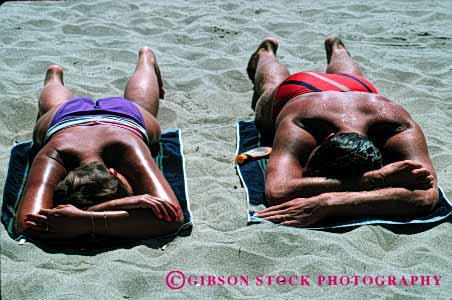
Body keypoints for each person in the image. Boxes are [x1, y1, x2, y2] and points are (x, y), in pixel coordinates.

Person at [246, 36, 438, 227]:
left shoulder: (397, 127)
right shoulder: (303, 125)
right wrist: (377, 180)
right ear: (327, 137)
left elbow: (427, 196)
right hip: (299, 91)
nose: (304, 170)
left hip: (359, 92)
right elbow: (278, 191)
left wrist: (330, 202)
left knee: (350, 78)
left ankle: (335, 49)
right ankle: (268, 53)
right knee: (270, 86)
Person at [15, 47, 184, 240]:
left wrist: (85, 220)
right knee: (55, 107)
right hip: (77, 118)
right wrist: (103, 212)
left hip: (113, 120)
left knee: (142, 107)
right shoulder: (57, 154)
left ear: (114, 172)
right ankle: (55, 77)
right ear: (116, 172)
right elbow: (27, 225)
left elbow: (172, 218)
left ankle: (147, 59)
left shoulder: (59, 153)